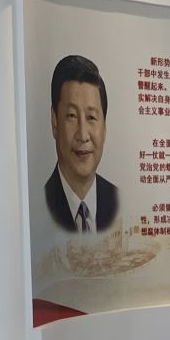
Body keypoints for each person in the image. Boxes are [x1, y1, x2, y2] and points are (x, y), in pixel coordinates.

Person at [43, 55, 118, 236]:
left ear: (104, 127)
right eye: (72, 116)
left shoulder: (116, 200)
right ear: (55, 122)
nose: (83, 136)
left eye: (91, 117)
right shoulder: (39, 204)